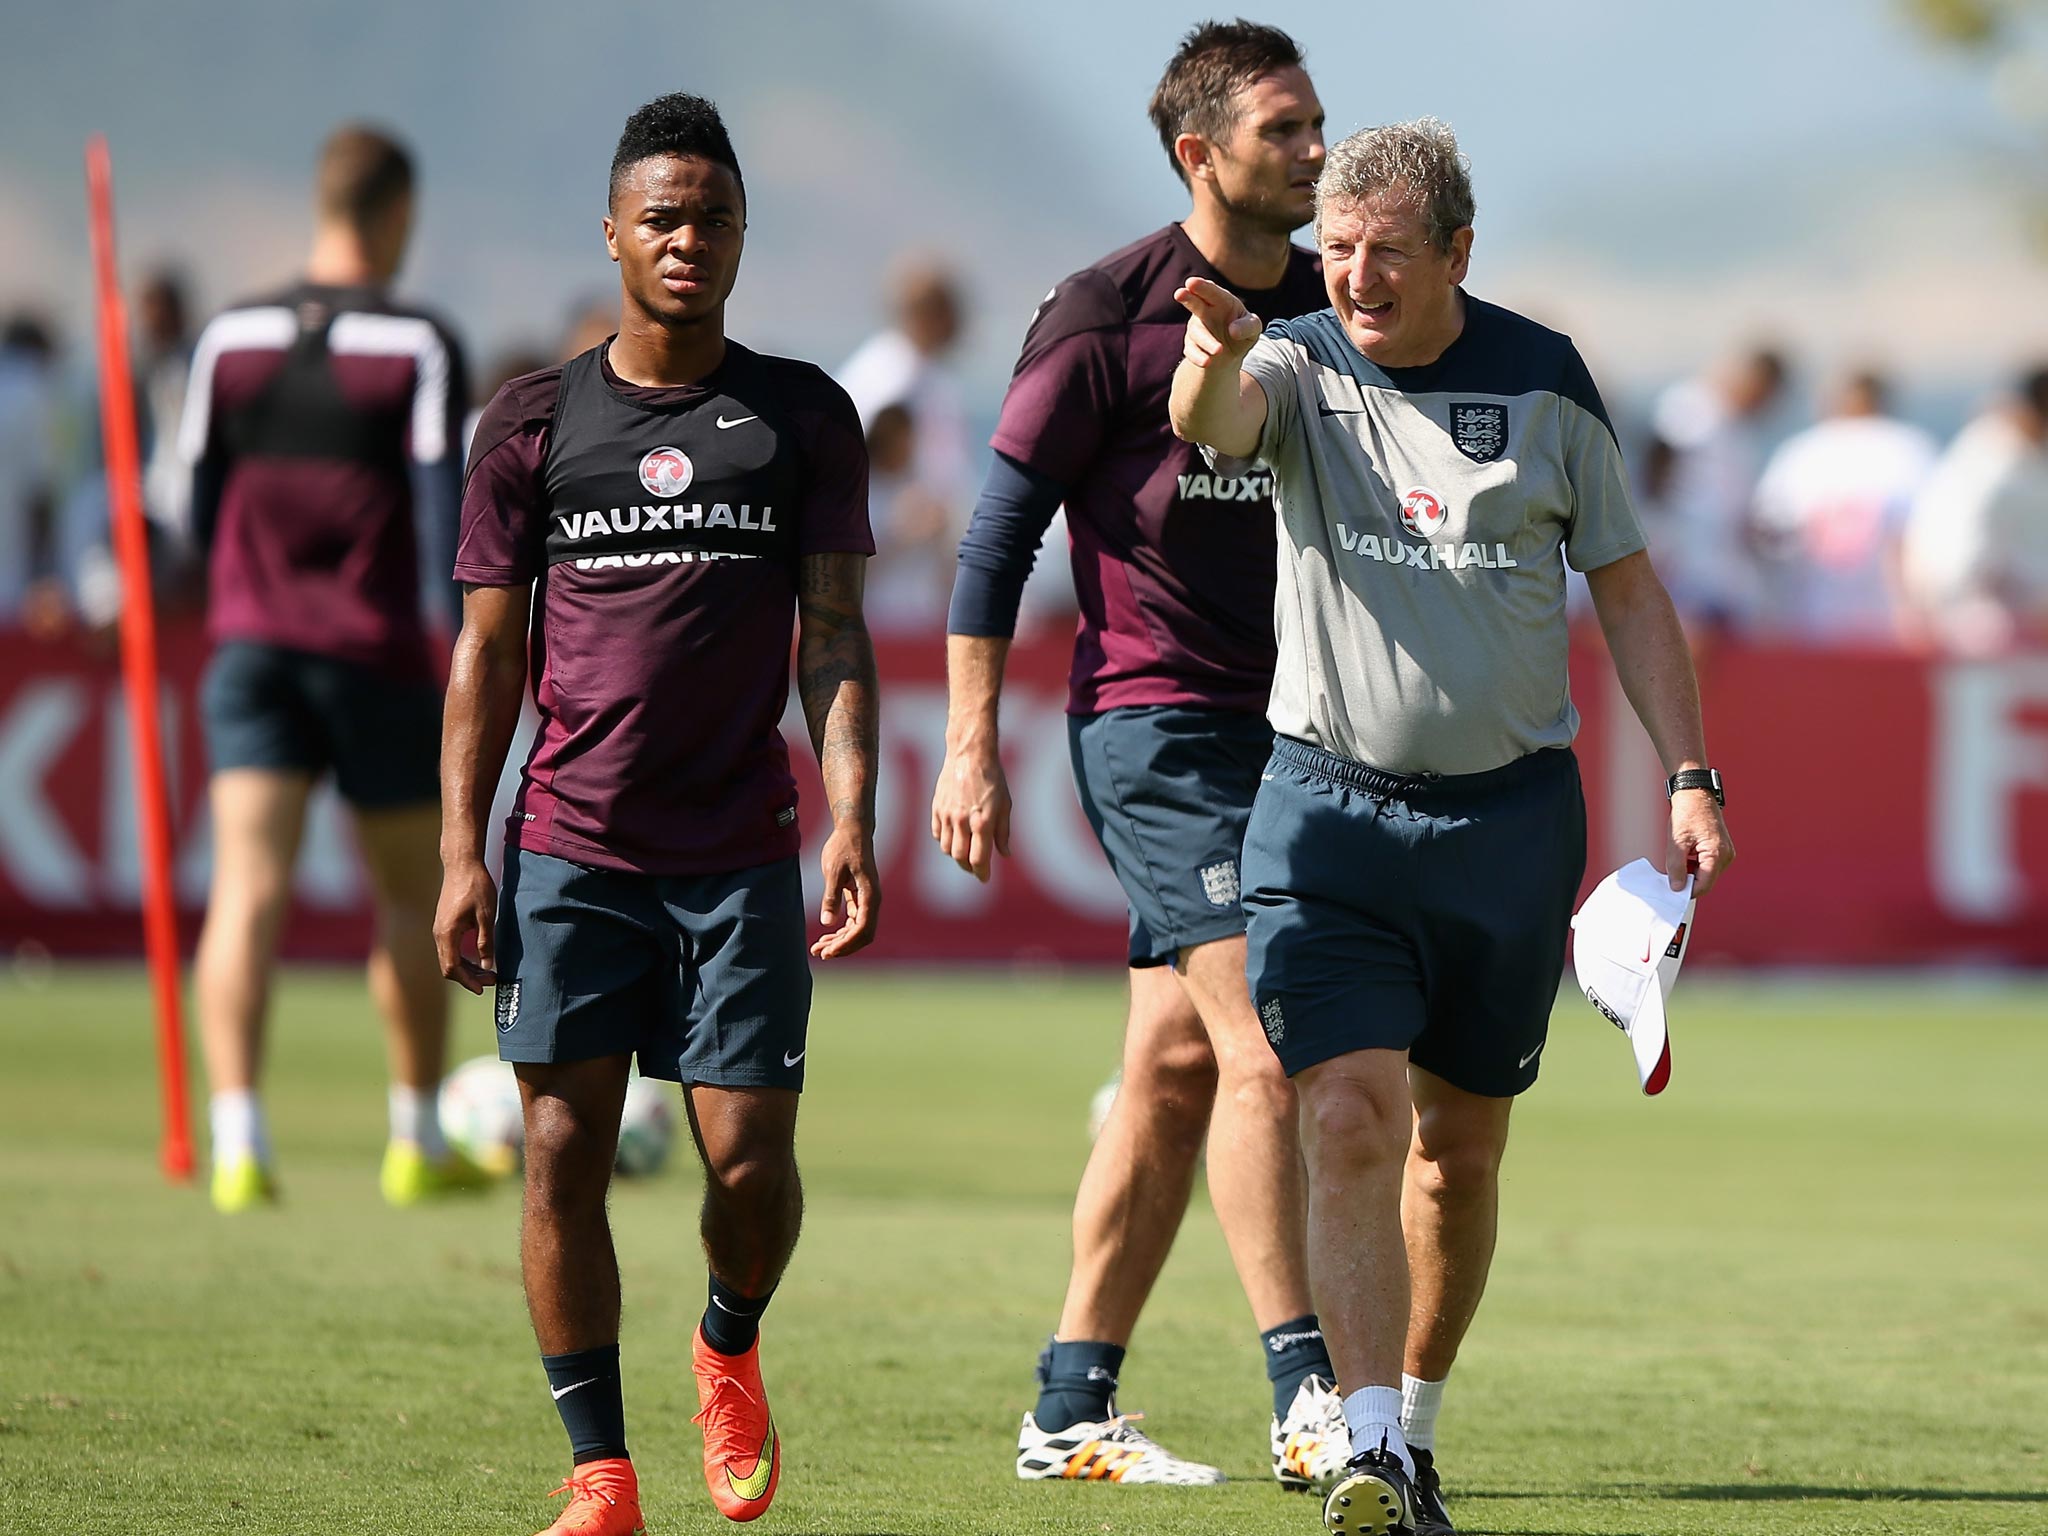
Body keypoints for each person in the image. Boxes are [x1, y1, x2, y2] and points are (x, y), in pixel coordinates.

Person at [1168, 119, 1734, 1535]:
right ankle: (1362, 1441)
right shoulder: (1289, 361)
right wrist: (1215, 349)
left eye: (1388, 254)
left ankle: (1413, 1418)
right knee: (1347, 1116)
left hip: (1510, 829)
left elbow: (1630, 589)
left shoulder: (1546, 382)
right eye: (1339, 249)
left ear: (1459, 255)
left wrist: (1689, 772)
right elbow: (1210, 425)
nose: (1355, 276)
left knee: (1458, 1152)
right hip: (1327, 819)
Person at [436, 92, 880, 1536]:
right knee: (562, 1149)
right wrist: (462, 850)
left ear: (744, 238)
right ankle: (600, 1473)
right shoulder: (533, 420)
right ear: (615, 233)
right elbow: (489, 653)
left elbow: (833, 638)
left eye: (714, 220)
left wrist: (853, 811)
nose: (689, 240)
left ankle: (730, 1342)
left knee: (748, 1165)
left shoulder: (803, 417)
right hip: (570, 844)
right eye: (664, 218)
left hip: (740, 849)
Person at [932, 19, 1348, 1490]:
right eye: (1284, 131)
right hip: (1157, 727)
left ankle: (1068, 1404)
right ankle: (1311, 1398)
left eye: (1316, 127)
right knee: (1268, 1048)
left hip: (1301, 732)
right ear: (1200, 155)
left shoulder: (1329, 308)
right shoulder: (1102, 314)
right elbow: (996, 542)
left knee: (1175, 1068)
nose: (1314, 152)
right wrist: (969, 744)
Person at [175, 124, 474, 1215]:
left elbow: (194, 513)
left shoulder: (229, 334)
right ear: (396, 212)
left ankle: (237, 1143)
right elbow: (449, 518)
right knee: (407, 897)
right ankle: (414, 1138)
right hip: (373, 655)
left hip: (251, 648)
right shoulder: (417, 343)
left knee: (246, 892)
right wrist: (465, 651)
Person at [1750, 369, 1934, 643]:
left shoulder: (1799, 453)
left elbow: (1763, 536)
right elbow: (1929, 538)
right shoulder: (1910, 448)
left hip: (1806, 623)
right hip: (1890, 629)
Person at [1640, 343, 1787, 638]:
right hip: (1681, 565)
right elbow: (1656, 465)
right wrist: (1656, 538)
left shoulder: (1742, 432)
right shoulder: (1693, 405)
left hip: (1721, 573)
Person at [1903, 365, 2048, 654]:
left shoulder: (2017, 451)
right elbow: (1959, 558)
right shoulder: (1993, 461)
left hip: (2001, 612)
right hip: (1967, 618)